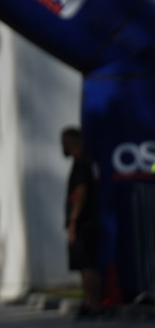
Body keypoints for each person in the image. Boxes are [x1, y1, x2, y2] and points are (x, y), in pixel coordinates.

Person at [61, 126, 102, 316]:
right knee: (89, 264)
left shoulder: (80, 164)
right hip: (91, 221)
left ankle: (93, 304)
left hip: (83, 222)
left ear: (69, 143)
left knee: (86, 265)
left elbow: (81, 192)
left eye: (63, 143)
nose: (62, 147)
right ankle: (90, 303)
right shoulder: (89, 162)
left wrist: (73, 221)